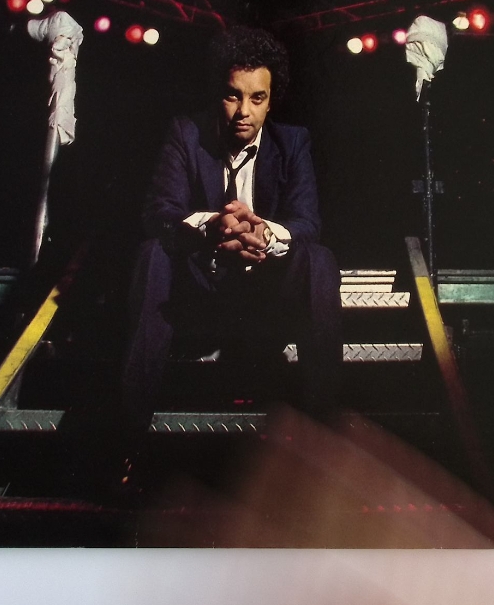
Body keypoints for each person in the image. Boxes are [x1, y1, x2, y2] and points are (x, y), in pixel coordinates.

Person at [121, 26, 342, 431]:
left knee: (319, 259)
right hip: (201, 291)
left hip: (265, 294)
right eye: (232, 96)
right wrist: (212, 226)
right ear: (217, 94)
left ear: (271, 101)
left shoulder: (293, 142)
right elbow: (160, 212)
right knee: (153, 252)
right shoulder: (186, 133)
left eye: (257, 98)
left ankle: (326, 427)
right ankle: (129, 429)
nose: (244, 112)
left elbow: (307, 222)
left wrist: (265, 234)